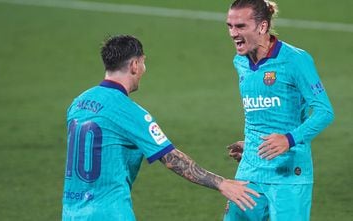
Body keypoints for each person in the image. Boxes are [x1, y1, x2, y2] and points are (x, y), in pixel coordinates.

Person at [61, 34, 259, 220]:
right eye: (143, 62)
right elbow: (172, 158)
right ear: (134, 64)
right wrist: (222, 184)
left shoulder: (78, 103)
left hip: (71, 213)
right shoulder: (129, 111)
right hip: (109, 213)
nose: (144, 69)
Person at [223, 0, 334, 220]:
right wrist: (253, 143)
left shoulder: (295, 60)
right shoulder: (240, 62)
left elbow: (324, 112)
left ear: (262, 27)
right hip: (251, 170)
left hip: (289, 175)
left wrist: (288, 139)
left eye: (240, 26)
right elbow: (261, 114)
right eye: (230, 26)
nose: (233, 33)